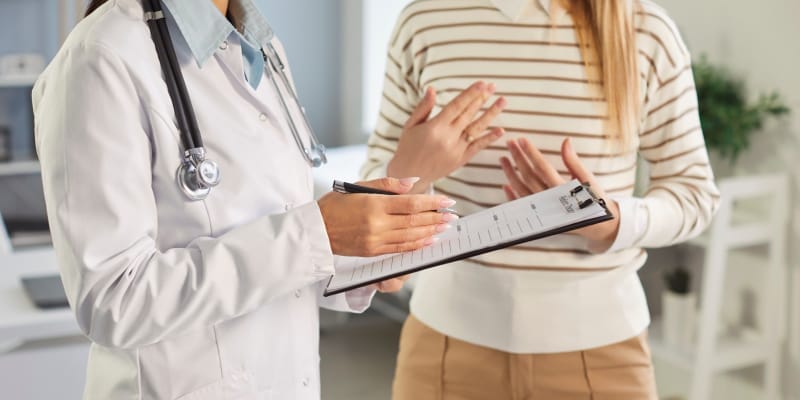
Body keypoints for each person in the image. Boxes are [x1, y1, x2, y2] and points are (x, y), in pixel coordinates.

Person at [32, 0, 499, 399]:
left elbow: (278, 235)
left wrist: (367, 259)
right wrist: (319, 232)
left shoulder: (262, 49)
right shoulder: (100, 57)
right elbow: (115, 301)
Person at [362, 0, 720, 398]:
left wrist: (611, 222)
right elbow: (372, 184)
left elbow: (694, 194)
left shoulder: (647, 31)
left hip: (601, 360)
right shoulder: (425, 20)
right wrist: (408, 171)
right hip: (444, 351)